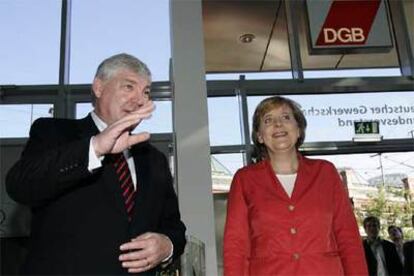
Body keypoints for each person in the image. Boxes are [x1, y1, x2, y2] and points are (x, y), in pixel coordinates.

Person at [6, 53, 186, 275]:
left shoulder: (154, 159)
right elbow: (20, 186)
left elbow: (174, 226)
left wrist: (166, 245)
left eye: (146, 92)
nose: (140, 100)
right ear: (98, 87)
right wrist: (95, 148)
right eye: (129, 87)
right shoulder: (54, 133)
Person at [223, 96, 368, 275]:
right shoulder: (244, 180)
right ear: (259, 136)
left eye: (286, 117)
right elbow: (236, 247)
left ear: (298, 129)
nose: (278, 124)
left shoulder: (326, 173)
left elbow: (349, 239)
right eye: (268, 120)